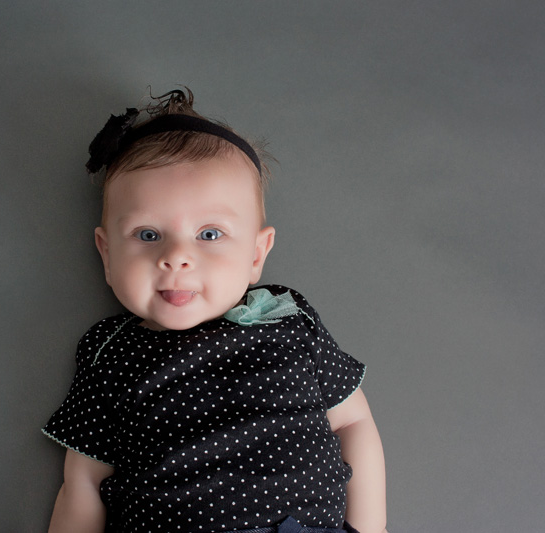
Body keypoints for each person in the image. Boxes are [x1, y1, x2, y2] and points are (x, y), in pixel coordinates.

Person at [43, 89, 387, 533]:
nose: (176, 257)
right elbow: (83, 481)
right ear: (107, 254)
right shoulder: (112, 352)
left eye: (209, 234)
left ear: (256, 254)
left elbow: (353, 421)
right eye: (148, 235)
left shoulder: (287, 318)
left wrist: (371, 529)